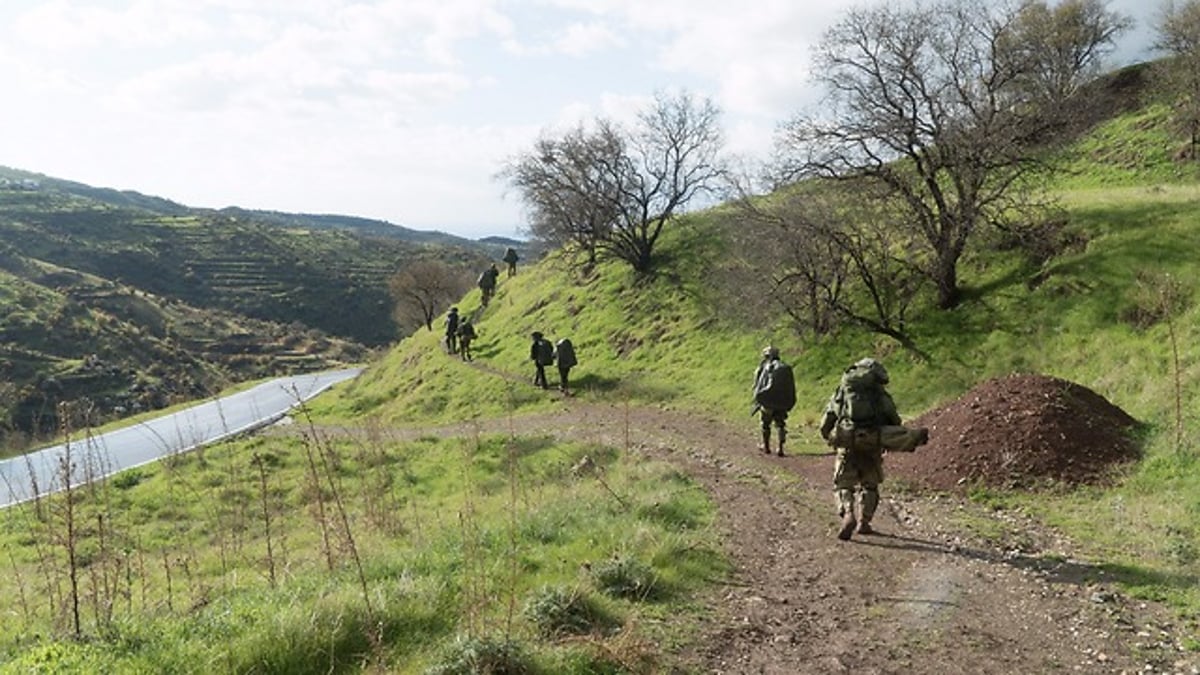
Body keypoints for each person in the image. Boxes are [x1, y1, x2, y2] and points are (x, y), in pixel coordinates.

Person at [818, 357, 929, 541]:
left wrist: (829, 436)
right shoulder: (880, 394)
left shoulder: (844, 389)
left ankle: (847, 514)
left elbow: (828, 417)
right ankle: (864, 521)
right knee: (870, 485)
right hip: (873, 442)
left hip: (848, 440)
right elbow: (894, 420)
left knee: (843, 484)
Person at [752, 346, 796, 457]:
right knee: (780, 424)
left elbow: (757, 385)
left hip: (767, 402)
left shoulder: (764, 368)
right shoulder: (785, 368)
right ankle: (780, 448)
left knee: (765, 424)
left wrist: (758, 398)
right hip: (782, 402)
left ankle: (766, 447)